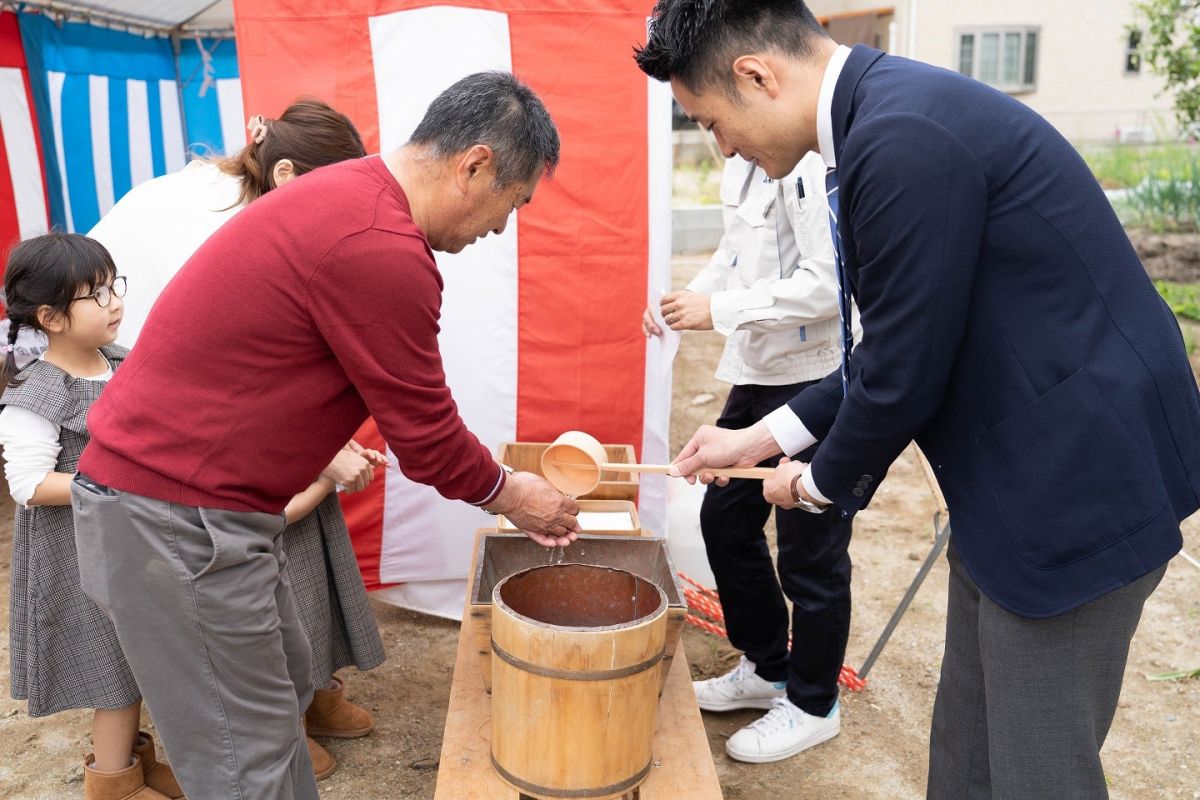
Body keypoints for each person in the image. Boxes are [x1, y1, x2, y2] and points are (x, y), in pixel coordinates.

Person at [635, 2, 1200, 797]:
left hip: (1073, 483)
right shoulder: (881, 118)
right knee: (967, 740)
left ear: (755, 76)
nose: (722, 145)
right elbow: (899, 341)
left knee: (1038, 764)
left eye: (711, 121)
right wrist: (760, 436)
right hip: (1010, 478)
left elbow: (903, 369)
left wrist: (813, 482)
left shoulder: (901, 136)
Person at [69, 71, 579, 800]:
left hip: (190, 507)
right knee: (244, 762)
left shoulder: (348, 195)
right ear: (477, 165)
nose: (501, 227)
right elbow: (426, 434)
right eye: (512, 204)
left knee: (267, 723)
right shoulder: (380, 244)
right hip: (177, 518)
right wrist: (509, 493)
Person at [87, 97, 386, 781]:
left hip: (226, 423)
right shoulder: (214, 220)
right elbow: (205, 366)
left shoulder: (273, 208)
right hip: (151, 424)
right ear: (286, 174)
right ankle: (266, 729)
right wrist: (320, 448)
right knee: (227, 593)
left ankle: (306, 696)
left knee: (301, 565)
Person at [643, 152, 853, 762]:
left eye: (710, 119)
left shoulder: (813, 165)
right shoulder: (746, 166)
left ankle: (815, 703)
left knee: (810, 548)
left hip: (819, 377)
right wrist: (689, 298)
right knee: (725, 515)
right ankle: (769, 666)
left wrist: (720, 310)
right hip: (762, 370)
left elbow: (827, 285)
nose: (716, 138)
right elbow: (733, 254)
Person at [0, 234, 176, 799]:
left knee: (141, 655)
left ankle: (135, 763)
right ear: (50, 317)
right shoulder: (36, 392)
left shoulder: (121, 361)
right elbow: (28, 484)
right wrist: (123, 483)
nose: (114, 302)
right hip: (78, 551)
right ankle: (113, 785)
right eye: (95, 295)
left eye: (112, 286)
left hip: (132, 539)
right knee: (113, 672)